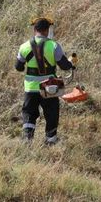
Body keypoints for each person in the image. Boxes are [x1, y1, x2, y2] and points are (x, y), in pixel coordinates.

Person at [15, 17, 74, 145]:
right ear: (47, 30)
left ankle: (27, 139)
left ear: (35, 29)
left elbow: (18, 67)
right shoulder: (53, 45)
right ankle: (51, 140)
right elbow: (64, 66)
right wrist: (70, 64)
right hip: (50, 88)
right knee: (51, 113)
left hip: (30, 88)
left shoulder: (24, 47)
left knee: (29, 113)